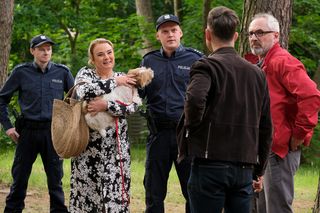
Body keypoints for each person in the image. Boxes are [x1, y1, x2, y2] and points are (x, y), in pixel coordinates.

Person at [176, 6, 273, 213]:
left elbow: (194, 100)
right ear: (236, 36)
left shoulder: (206, 66)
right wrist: (259, 169)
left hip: (210, 162)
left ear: (207, 34)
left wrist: (192, 129)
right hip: (244, 166)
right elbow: (265, 126)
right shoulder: (257, 74)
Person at [248, 13, 320, 213]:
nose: (254, 37)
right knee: (262, 208)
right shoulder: (262, 63)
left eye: (261, 32)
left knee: (277, 208)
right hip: (263, 149)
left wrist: (298, 134)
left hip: (279, 150)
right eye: (251, 33)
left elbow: (311, 96)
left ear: (276, 36)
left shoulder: (282, 61)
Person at [0, 34, 73, 213]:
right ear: (32, 51)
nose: (46, 52)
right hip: (27, 133)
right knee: (19, 179)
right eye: (41, 49)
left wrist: (69, 130)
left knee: (56, 181)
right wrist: (8, 127)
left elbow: (75, 102)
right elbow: (2, 100)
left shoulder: (62, 72)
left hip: (53, 133)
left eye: (48, 49)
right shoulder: (20, 72)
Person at [139, 14, 203, 213]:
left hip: (187, 135)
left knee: (192, 190)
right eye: (165, 31)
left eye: (173, 30)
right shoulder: (149, 60)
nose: (170, 35)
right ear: (158, 36)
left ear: (180, 33)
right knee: (153, 191)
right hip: (158, 135)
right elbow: (137, 94)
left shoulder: (195, 58)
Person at [69, 38, 139, 213]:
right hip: (88, 150)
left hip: (117, 151)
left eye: (109, 52)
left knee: (115, 199)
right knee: (88, 198)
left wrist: (106, 106)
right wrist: (116, 83)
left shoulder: (122, 76)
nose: (107, 57)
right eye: (100, 54)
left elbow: (133, 106)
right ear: (92, 59)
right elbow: (83, 91)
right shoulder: (86, 74)